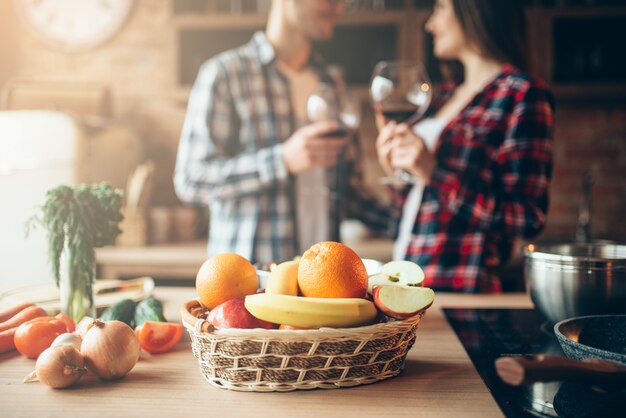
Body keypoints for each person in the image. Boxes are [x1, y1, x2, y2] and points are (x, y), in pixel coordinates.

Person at [174, 0, 390, 263]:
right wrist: (283, 160)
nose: (339, 7)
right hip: (248, 284)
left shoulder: (334, 85)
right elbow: (191, 180)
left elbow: (351, 193)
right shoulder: (225, 75)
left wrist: (417, 218)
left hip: (322, 284)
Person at [376, 0, 555, 293]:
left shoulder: (522, 93)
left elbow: (527, 217)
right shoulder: (443, 97)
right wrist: (398, 176)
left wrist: (433, 172)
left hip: (460, 290)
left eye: (440, 8)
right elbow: (411, 216)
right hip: (408, 282)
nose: (429, 24)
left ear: (474, 10)